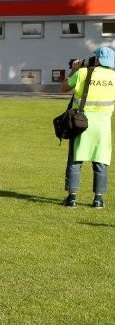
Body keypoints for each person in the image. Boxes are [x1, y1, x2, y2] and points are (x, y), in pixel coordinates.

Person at [60, 47, 115, 208]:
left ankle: (72, 198)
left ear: (97, 59)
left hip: (81, 122)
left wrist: (73, 70)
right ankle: (98, 199)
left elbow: (64, 88)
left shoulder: (83, 73)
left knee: (76, 159)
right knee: (101, 160)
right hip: (103, 124)